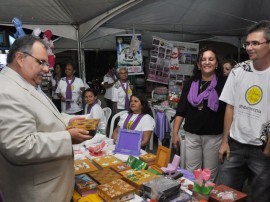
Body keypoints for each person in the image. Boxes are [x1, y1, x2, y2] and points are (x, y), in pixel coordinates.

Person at [0, 35, 92, 202]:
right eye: (41, 62)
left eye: (46, 63)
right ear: (20, 58)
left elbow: (43, 115)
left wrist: (67, 121)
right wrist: (67, 137)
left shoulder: (25, 83)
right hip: (39, 193)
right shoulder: (7, 91)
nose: (46, 68)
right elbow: (20, 146)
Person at [218, 20, 270, 202]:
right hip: (236, 145)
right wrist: (225, 142)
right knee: (224, 194)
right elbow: (229, 106)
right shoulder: (239, 70)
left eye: (255, 43)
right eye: (247, 43)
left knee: (260, 198)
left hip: (262, 149)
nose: (249, 47)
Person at [172, 47, 226, 181]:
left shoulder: (224, 83)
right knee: (192, 173)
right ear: (198, 64)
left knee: (209, 175)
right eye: (203, 59)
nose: (207, 62)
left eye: (211, 59)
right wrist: (175, 133)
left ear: (217, 63)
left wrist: (226, 140)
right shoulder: (190, 83)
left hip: (213, 137)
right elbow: (181, 110)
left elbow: (228, 113)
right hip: (192, 135)